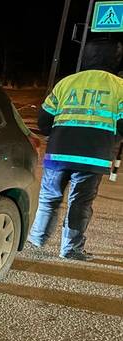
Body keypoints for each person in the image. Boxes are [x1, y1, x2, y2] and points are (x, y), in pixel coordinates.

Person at [28, 39, 123, 261]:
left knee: (49, 198)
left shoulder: (66, 83)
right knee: (80, 204)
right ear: (115, 59)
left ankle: (36, 239)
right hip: (93, 157)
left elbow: (43, 121)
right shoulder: (119, 87)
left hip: (58, 153)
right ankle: (70, 249)